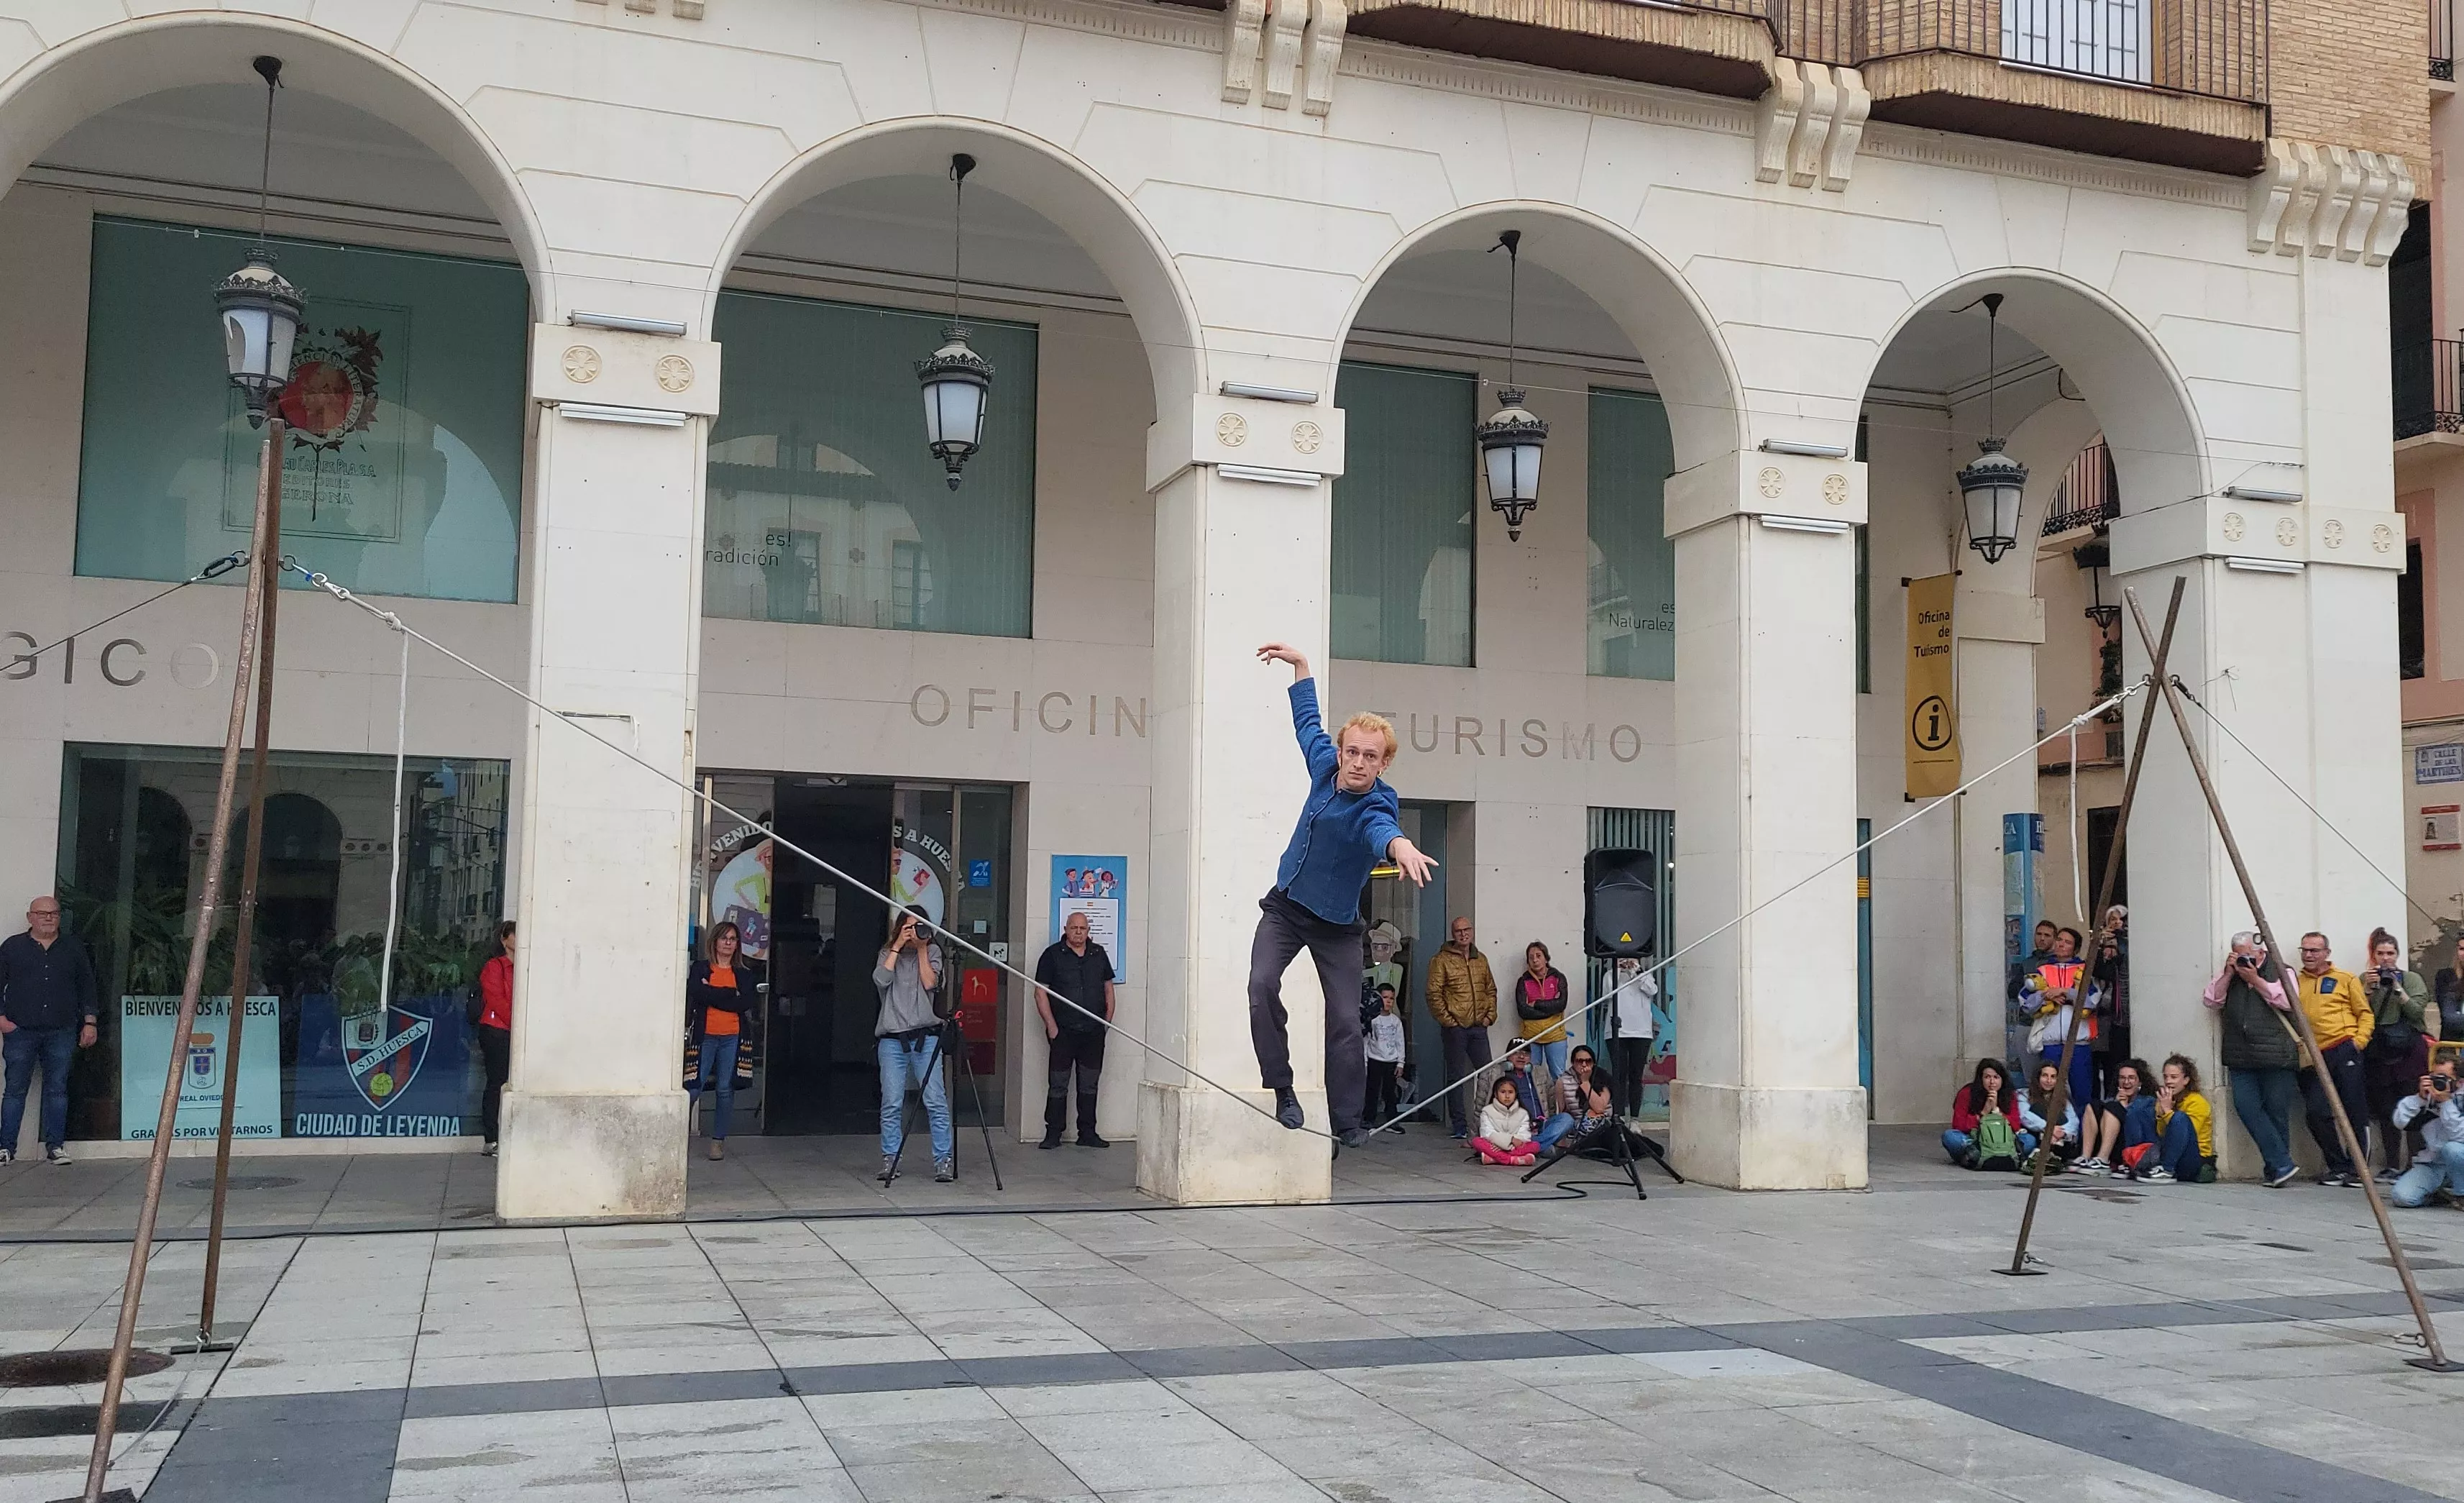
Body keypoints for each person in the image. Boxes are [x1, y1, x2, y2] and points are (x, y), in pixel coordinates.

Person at [1248, 643, 1436, 1146]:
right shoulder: (1323, 766)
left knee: (1346, 1023)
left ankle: (1348, 1122)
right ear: (1340, 751)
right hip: (1285, 908)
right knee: (1261, 985)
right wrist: (1301, 667)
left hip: (1336, 926)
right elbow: (1306, 722)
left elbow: (1382, 831)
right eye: (1351, 751)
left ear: (1383, 763)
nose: (1356, 763)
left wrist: (1402, 848)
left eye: (1369, 757)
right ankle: (1283, 1089)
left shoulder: (1376, 805)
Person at [0, 895, 99, 1166]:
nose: (48, 918)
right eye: (42, 913)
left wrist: (90, 1022)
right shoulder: (12, 947)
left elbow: (87, 987)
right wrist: (2, 1020)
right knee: (15, 1091)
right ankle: (6, 1148)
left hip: (61, 1030)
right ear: (30, 917)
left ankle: (56, 1147)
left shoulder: (73, 948)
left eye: (54, 914)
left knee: (57, 1090)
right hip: (20, 1031)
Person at [2203, 931, 2300, 1187]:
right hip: (2241, 1054)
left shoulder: (2282, 970)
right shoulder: (2232, 974)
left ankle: (2276, 1169)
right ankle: (2282, 1163)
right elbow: (2212, 1000)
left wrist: (2255, 980)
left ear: (2260, 953)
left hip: (2276, 1053)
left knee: (2277, 1112)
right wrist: (2228, 973)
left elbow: (2289, 1002)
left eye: (2248, 954)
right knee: (2246, 1107)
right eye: (2239, 955)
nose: (2245, 960)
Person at [874, 904, 953, 1183]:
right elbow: (880, 980)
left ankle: (943, 1160)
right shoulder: (888, 953)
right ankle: (890, 1158)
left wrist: (921, 947)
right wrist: (898, 945)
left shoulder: (932, 952)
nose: (914, 931)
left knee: (935, 1101)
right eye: (909, 926)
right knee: (892, 1102)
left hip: (926, 1037)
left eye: (919, 926)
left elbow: (932, 984)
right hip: (892, 1039)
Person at [1033, 909, 1115, 1150]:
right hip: (1063, 1031)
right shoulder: (1052, 955)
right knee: (1058, 1083)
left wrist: (1105, 1023)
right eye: (1074, 928)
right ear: (1066, 929)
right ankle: (1053, 1134)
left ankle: (1088, 1133)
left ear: (1088, 931)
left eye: (1083, 928)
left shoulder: (1098, 954)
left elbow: (1109, 990)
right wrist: (1051, 1026)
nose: (1078, 932)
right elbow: (1040, 992)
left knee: (1089, 1084)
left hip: (1093, 1032)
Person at [2294, 931, 2372, 1187]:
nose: (2308, 955)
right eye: (2304, 950)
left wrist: (2358, 1043)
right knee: (2316, 1112)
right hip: (2314, 1054)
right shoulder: (2294, 981)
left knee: (2354, 1111)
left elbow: (2365, 1014)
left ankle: (2358, 1168)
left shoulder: (2345, 978)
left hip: (2343, 1048)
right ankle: (2337, 1166)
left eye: (2314, 950)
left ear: (2327, 953)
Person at [2360, 927, 2431, 1180]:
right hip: (2380, 1052)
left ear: (2397, 954)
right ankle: (2392, 1164)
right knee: (2386, 1110)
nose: (2386, 958)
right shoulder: (2365, 980)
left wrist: (2399, 989)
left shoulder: (2412, 979)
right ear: (2374, 955)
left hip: (2409, 1052)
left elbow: (2416, 1013)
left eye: (2390, 953)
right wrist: (2368, 991)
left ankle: (2416, 1164)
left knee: (2413, 1107)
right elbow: (2360, 1013)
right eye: (2381, 953)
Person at [687, 920, 754, 1161]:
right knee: (695, 1086)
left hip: (732, 1036)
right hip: (705, 1035)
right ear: (714, 941)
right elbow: (697, 992)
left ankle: (718, 1141)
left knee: (725, 1089)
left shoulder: (743, 975)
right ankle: (678, 1136)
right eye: (724, 938)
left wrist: (713, 994)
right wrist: (728, 994)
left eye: (733, 939)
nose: (728, 943)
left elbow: (743, 1003)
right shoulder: (701, 969)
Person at [1428, 915, 1498, 1141]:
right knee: (1457, 1078)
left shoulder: (1481, 959)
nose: (1463, 934)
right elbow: (1433, 994)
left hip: (1479, 1026)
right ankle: (1459, 1126)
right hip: (1455, 1028)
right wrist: (1450, 1022)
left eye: (1467, 930)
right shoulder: (1441, 960)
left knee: (1488, 1075)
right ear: (1453, 934)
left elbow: (1491, 990)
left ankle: (1489, 1122)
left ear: (1472, 931)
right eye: (1458, 931)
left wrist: (1489, 1017)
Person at [2023, 927, 2097, 1126]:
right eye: (2060, 940)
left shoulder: (2085, 970)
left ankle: (2081, 1143)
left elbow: (2093, 1001)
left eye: (2067, 942)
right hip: (2051, 1042)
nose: (2061, 945)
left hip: (2079, 1044)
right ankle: (2051, 1139)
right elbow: (2026, 1003)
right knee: (2049, 1094)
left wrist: (2066, 992)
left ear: (2076, 948)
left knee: (2082, 1095)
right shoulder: (2043, 969)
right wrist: (2045, 995)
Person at [2122, 1054, 2215, 1184]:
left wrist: (2167, 1112)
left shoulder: (2197, 1102)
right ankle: (2132, 1162)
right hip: (2169, 1152)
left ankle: (2167, 1170)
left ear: (2186, 1080)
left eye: (2174, 1077)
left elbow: (2186, 1135)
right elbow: (2161, 1133)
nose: (2168, 1081)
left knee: (2180, 1117)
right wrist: (2161, 1113)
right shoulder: (2167, 1099)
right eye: (2166, 1077)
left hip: (2193, 1159)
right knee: (2138, 1113)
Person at [2389, 1062, 2464, 1207]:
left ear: (2459, 1081)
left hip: (2460, 1161)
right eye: (2434, 1077)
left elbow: (2461, 1136)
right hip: (2433, 1164)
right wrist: (2420, 1099)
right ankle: (2440, 1196)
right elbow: (2399, 1122)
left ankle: (2462, 1195)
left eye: (2444, 1078)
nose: (2438, 1083)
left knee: (2453, 1149)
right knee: (2402, 1198)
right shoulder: (2427, 1097)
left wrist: (2446, 1103)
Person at [1943, 1059, 2031, 1168]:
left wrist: (1996, 1111)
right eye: (1987, 1077)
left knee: (2029, 1140)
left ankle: (1976, 1157)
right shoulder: (1966, 1093)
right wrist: (1984, 1113)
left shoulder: (2009, 1095)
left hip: (2004, 1142)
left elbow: (2016, 1125)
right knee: (1950, 1136)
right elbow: (1959, 1125)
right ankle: (1982, 1155)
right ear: (1981, 1079)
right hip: (1977, 1141)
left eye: (1996, 1077)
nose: (1992, 1082)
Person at [475, 920, 515, 1158]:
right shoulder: (495, 967)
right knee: (496, 1081)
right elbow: (496, 999)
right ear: (504, 939)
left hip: (513, 1029)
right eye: (515, 935)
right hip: (496, 1030)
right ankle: (491, 1138)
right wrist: (516, 1022)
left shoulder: (524, 967)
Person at [1600, 957, 1657, 1118]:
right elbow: (1608, 994)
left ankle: (1635, 1119)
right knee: (1619, 1075)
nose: (1626, 961)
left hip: (1641, 1032)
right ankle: (1619, 1117)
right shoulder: (1610, 975)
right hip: (1617, 1032)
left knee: (1636, 1076)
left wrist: (1636, 971)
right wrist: (1618, 970)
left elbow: (1652, 990)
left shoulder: (1645, 975)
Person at [2076, 1056, 2151, 1176]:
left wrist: (2123, 1107)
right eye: (2122, 1078)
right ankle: (2086, 1156)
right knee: (2094, 1105)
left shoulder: (2148, 1101)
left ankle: (2103, 1159)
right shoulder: (2113, 1098)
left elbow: (2136, 1125)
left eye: (2131, 1078)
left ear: (2140, 1082)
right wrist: (2115, 1103)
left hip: (2130, 1145)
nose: (2126, 1082)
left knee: (2113, 1108)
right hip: (2109, 1142)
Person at [1512, 942, 1572, 1083]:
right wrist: (1550, 1010)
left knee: (1558, 1077)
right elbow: (1523, 1011)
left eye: (1539, 956)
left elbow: (1561, 1004)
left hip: (1555, 1035)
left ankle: (1559, 1106)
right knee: (1530, 1077)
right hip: (1531, 1036)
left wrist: (1537, 1004)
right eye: (1531, 957)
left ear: (1546, 958)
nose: (1535, 960)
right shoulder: (1523, 981)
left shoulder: (1558, 978)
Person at [2091, 907, 2130, 1095]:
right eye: (2112, 919)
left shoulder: (2129, 945)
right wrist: (2099, 945)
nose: (2117, 923)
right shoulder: (2102, 944)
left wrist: (2121, 943)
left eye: (2121, 919)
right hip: (2105, 1018)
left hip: (2126, 1014)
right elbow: (2099, 971)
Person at [2018, 1059, 2081, 1171]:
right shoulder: (2024, 1094)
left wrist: (2061, 1133)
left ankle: (2053, 1153)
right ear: (2038, 1077)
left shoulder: (2063, 1098)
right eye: (2045, 1076)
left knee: (2059, 1114)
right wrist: (2049, 1128)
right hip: (2037, 1135)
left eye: (2053, 1077)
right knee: (2037, 1108)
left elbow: (2073, 1121)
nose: (2049, 1080)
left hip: (2059, 1140)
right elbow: (2025, 1116)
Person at [1364, 985, 1406, 1131]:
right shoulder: (1372, 1020)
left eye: (1391, 998)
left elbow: (1400, 1043)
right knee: (1372, 1092)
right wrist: (1365, 1062)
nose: (1388, 1002)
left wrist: (1401, 1063)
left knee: (1390, 1093)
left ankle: (1392, 1122)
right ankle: (1368, 1120)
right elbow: (1367, 1041)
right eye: (1385, 997)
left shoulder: (1396, 1022)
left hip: (1391, 1061)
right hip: (1374, 1060)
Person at [1471, 1077, 1536, 1166]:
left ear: (1516, 1094)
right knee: (1477, 1142)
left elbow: (1525, 1135)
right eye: (1503, 1092)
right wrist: (1510, 1140)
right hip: (1494, 1145)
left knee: (1535, 1146)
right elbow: (1487, 1133)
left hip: (1512, 1147)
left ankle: (1494, 1158)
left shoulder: (1523, 1113)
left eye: (1511, 1092)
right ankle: (1512, 1160)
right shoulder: (1487, 1111)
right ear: (1496, 1094)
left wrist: (1512, 1144)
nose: (1507, 1096)